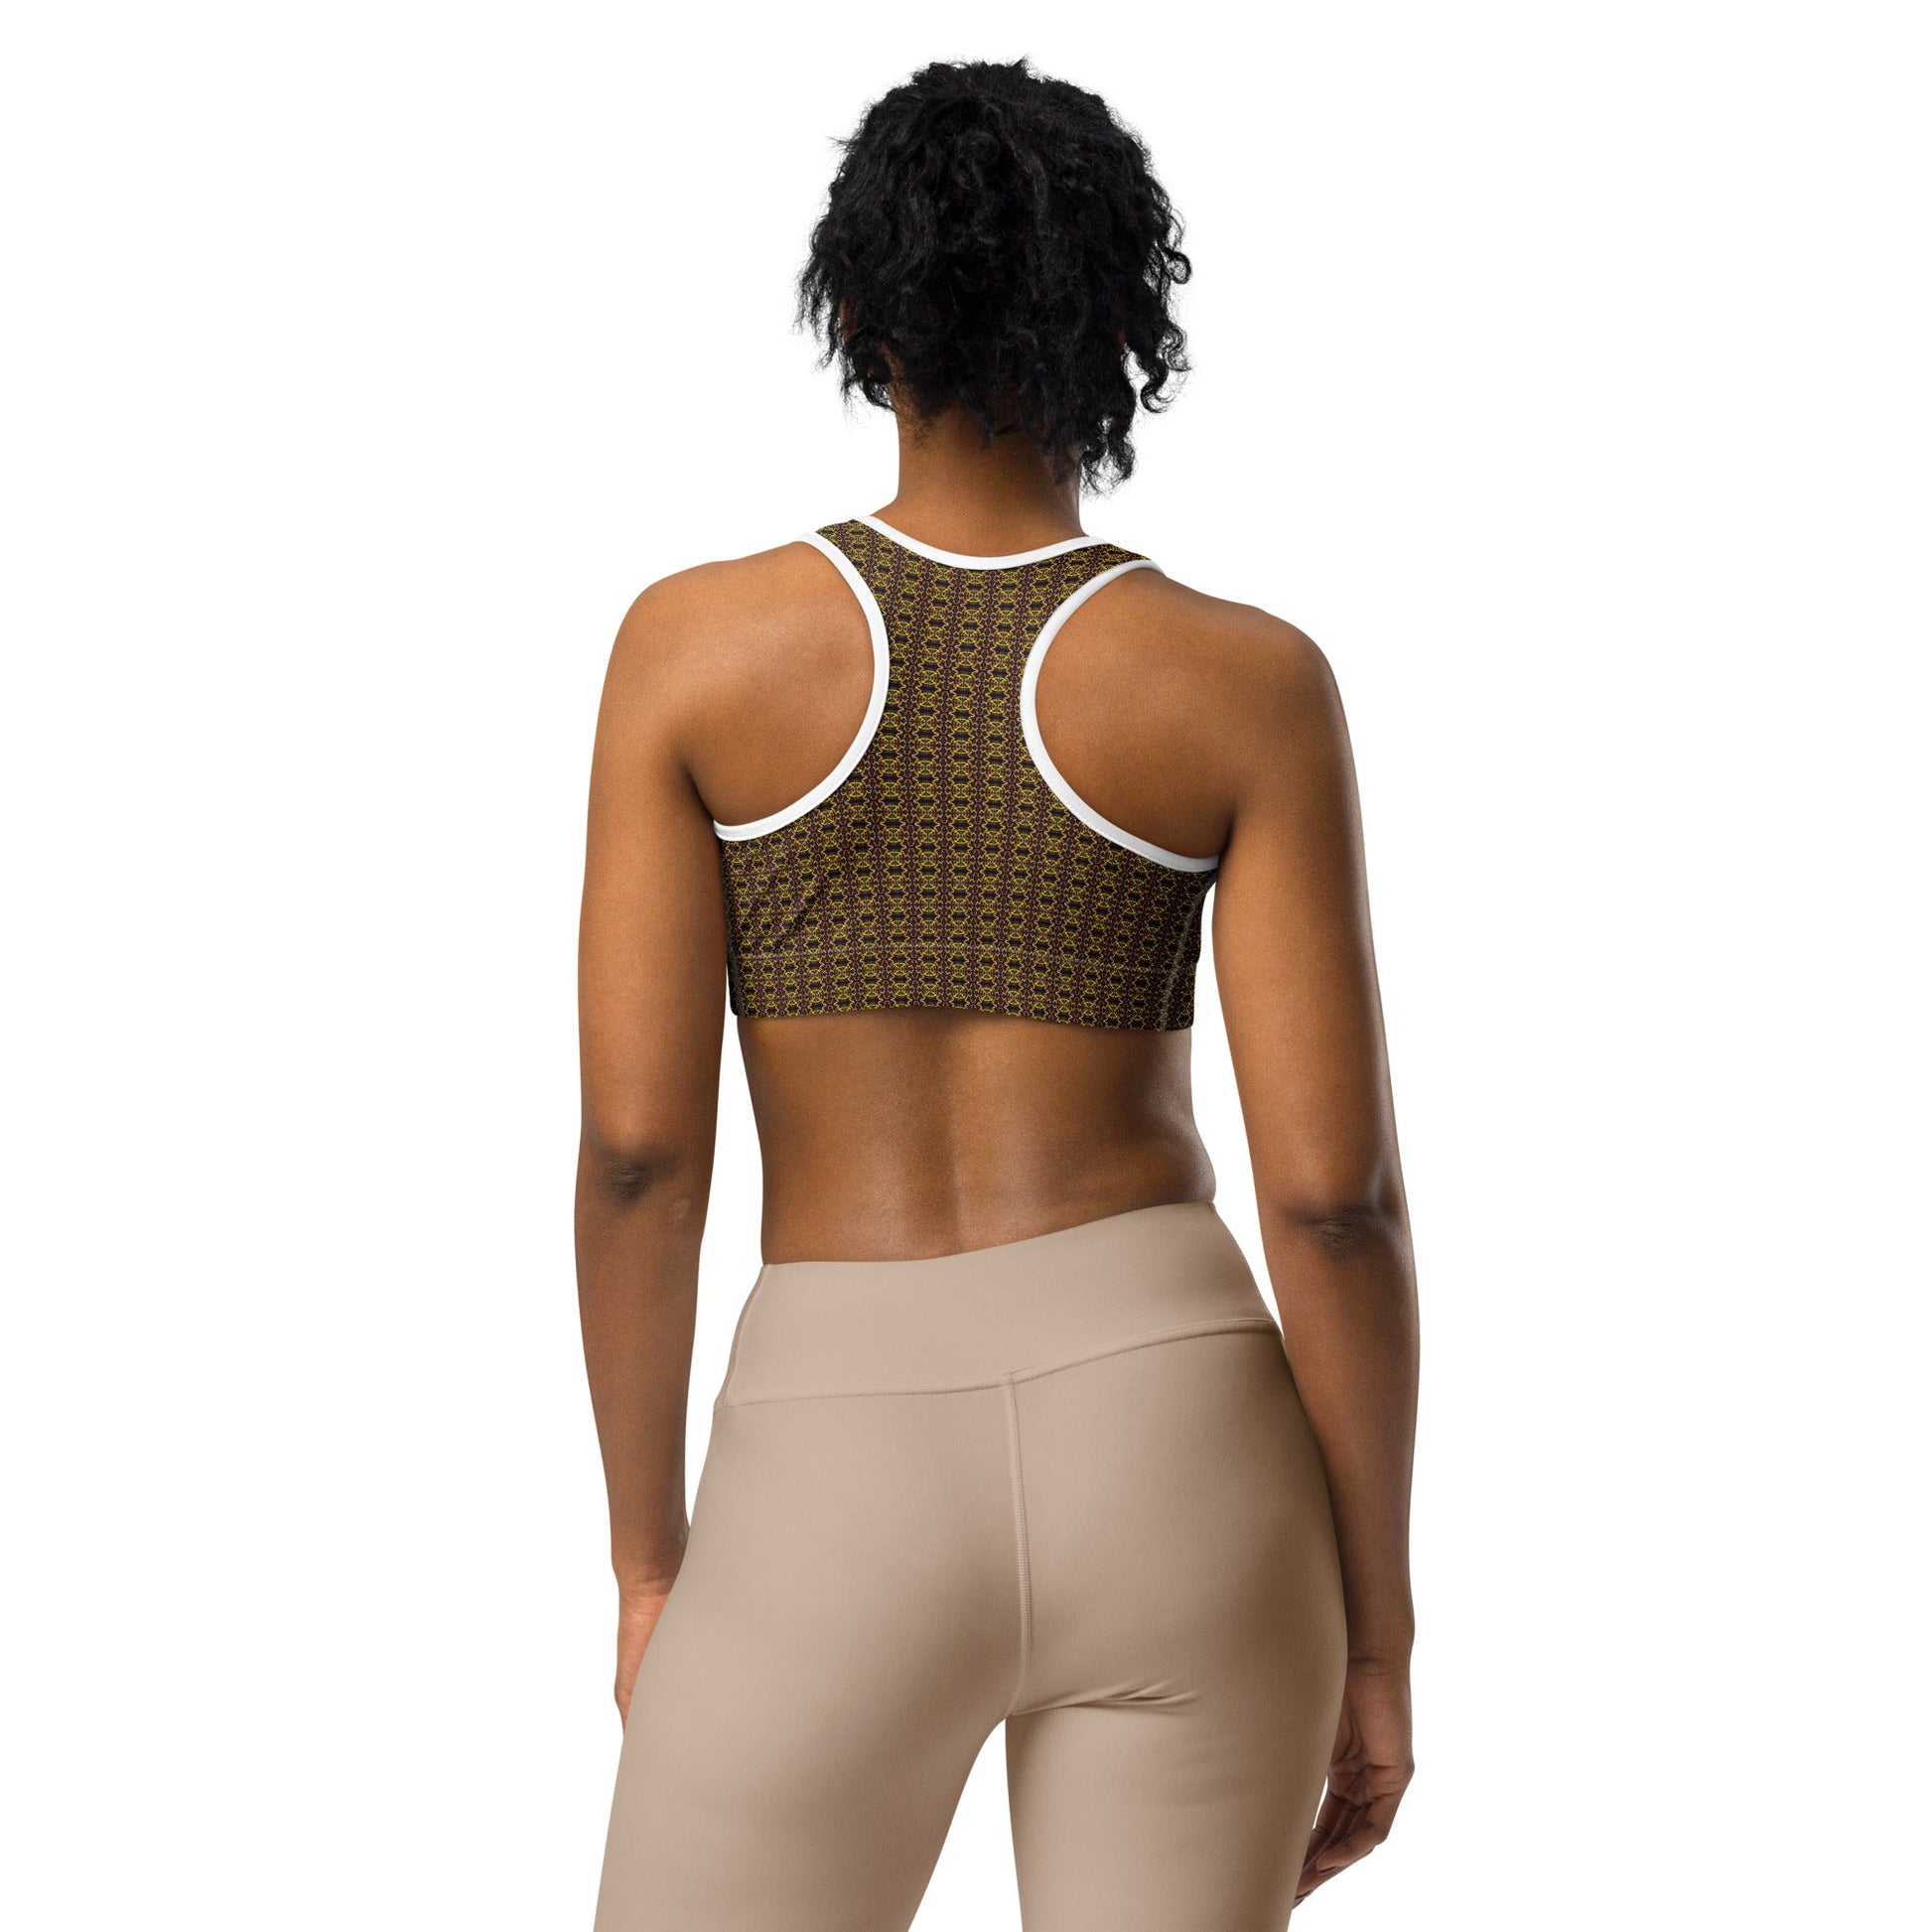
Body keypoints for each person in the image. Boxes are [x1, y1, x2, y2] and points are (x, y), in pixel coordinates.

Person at [577, 59, 1418, 1931]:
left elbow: (640, 1158)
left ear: (860, 316)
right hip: (1180, 1438)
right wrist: (1378, 1627)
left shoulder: (694, 653)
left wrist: (647, 1562)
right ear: (1118, 320)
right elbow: (1333, 1202)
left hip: (833, 1449)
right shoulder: (1244, 681)